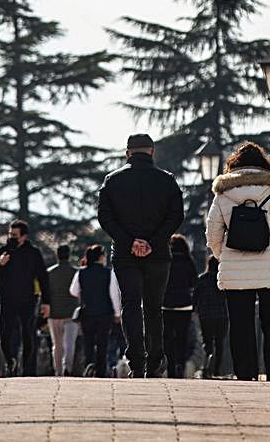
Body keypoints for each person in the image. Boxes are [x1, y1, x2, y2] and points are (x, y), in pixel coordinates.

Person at [205, 142, 270, 382]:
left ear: (233, 165)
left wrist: (222, 255)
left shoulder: (223, 195)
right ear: (264, 165)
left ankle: (245, 372)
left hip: (236, 268)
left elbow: (213, 234)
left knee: (240, 324)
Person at [96, 133, 184, 378]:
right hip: (158, 255)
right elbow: (175, 216)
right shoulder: (167, 180)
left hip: (125, 254)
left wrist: (130, 241)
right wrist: (153, 242)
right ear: (152, 152)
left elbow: (105, 217)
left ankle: (136, 360)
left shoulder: (112, 181)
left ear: (127, 153)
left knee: (131, 304)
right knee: (154, 307)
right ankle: (155, 359)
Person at [0, 220, 51, 376]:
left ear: (24, 236)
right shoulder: (3, 250)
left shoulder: (33, 253)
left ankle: (26, 370)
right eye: (10, 234)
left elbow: (43, 278)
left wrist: (46, 303)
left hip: (28, 301)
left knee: (28, 334)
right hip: (7, 300)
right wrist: (0, 264)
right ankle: (10, 361)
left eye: (15, 235)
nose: (11, 237)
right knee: (5, 335)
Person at [69, 244, 122, 378]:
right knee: (102, 343)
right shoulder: (109, 273)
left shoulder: (81, 272)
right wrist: (117, 313)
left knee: (88, 341)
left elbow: (73, 291)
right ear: (101, 257)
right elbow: (114, 295)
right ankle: (100, 371)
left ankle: (89, 365)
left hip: (87, 312)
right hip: (105, 313)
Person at [161, 234, 197, 379]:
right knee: (182, 337)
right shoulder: (189, 261)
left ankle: (170, 367)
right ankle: (180, 364)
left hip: (166, 304)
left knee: (168, 338)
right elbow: (194, 282)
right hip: (184, 305)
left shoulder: (165, 261)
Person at [46, 245, 80, 377]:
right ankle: (68, 368)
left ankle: (58, 371)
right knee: (70, 343)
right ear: (69, 255)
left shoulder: (49, 272)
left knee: (57, 345)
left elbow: (46, 294)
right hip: (71, 312)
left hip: (54, 313)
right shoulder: (75, 272)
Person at [193, 255, 228, 379]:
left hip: (205, 315)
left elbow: (195, 297)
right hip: (222, 315)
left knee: (207, 341)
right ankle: (217, 369)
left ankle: (207, 363)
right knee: (220, 343)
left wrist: (194, 308)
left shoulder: (202, 279)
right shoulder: (223, 280)